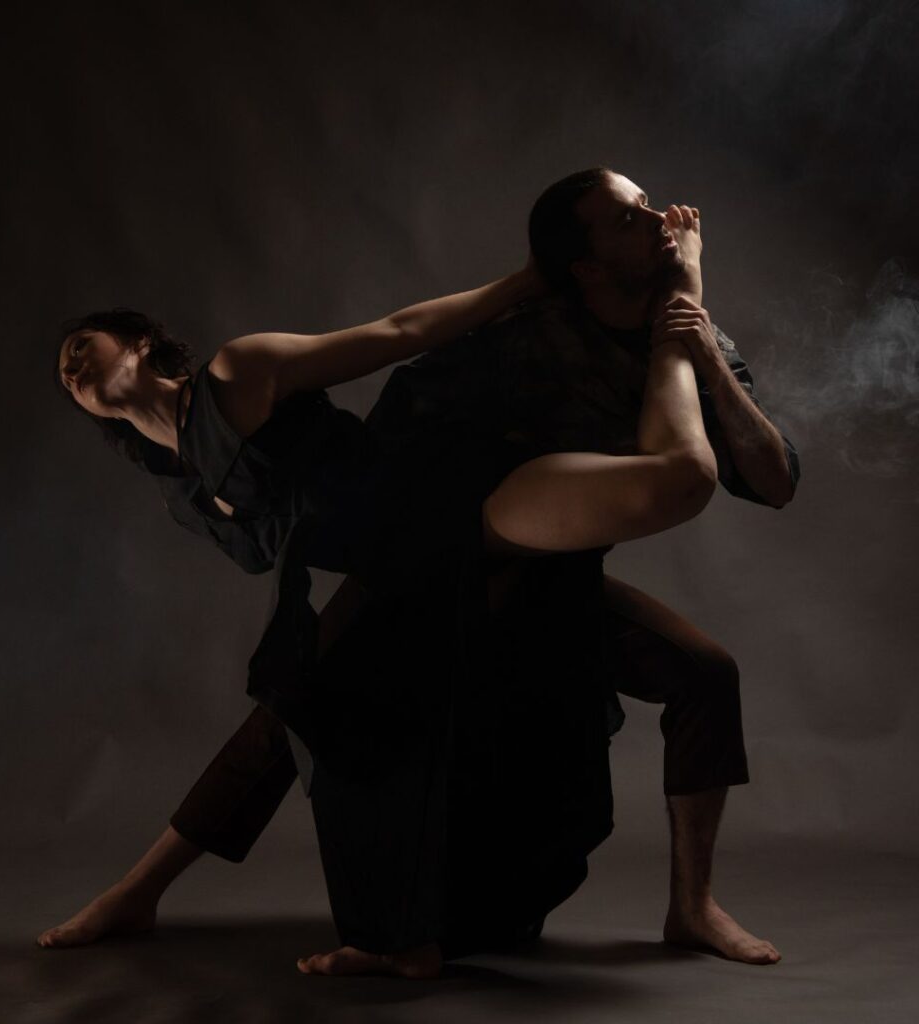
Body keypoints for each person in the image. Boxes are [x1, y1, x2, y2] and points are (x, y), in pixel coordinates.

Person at [40, 189, 719, 974]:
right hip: (395, 572)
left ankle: (151, 895)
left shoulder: (238, 372)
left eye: (83, 346)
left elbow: (396, 334)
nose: (71, 366)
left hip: (434, 513)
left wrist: (523, 284)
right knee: (346, 729)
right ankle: (399, 935)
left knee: (301, 717)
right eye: (64, 373)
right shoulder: (182, 483)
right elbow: (275, 552)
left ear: (140, 342)